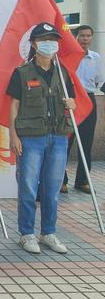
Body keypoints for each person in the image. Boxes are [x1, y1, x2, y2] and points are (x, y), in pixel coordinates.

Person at [7, 22, 75, 254]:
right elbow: (14, 106)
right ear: (34, 44)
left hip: (58, 137)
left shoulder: (62, 72)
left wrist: (72, 104)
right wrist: (13, 135)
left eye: (53, 40)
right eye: (44, 40)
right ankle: (26, 234)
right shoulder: (22, 73)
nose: (50, 44)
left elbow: (72, 102)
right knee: (28, 187)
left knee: (52, 188)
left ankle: (48, 233)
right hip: (30, 138)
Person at [63, 25, 105, 193]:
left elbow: (99, 80)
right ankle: (62, 180)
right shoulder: (68, 56)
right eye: (82, 35)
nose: (85, 39)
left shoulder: (96, 58)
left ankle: (82, 180)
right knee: (65, 142)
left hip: (88, 100)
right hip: (70, 100)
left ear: (92, 38)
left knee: (86, 142)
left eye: (88, 36)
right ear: (75, 37)